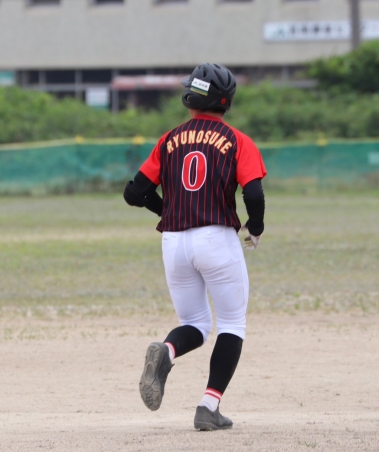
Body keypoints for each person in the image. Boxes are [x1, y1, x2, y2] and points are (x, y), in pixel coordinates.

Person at [123, 63, 267, 431]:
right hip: (216, 238)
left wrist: (168, 209)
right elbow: (253, 193)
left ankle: (167, 351)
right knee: (231, 323)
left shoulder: (169, 140)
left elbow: (134, 193)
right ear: (226, 100)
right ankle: (208, 406)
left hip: (174, 242)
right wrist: (255, 226)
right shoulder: (237, 140)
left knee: (195, 324)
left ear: (190, 97)